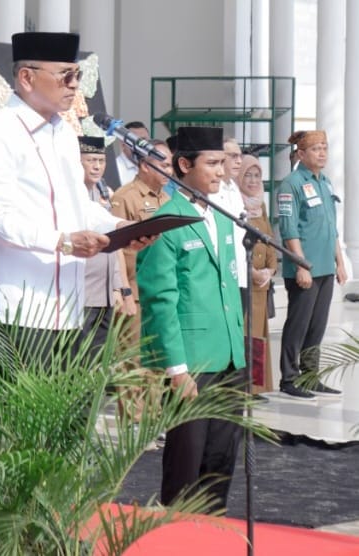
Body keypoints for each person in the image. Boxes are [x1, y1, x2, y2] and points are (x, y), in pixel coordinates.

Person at [0, 31, 153, 359]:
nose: (74, 85)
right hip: (15, 311)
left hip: (68, 309)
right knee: (16, 396)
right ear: (27, 77)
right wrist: (63, 241)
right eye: (66, 75)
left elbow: (78, 206)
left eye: (77, 75)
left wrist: (120, 227)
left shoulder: (64, 134)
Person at [137, 126, 246, 514]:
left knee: (220, 462)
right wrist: (176, 369)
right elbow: (160, 301)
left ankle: (214, 530)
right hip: (193, 362)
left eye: (223, 163)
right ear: (184, 165)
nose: (221, 172)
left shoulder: (222, 217)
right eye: (212, 163)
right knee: (186, 461)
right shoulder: (166, 222)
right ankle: (179, 535)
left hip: (228, 356)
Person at [276, 130, 346, 399]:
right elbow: (288, 229)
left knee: (317, 326)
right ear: (301, 154)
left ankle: (310, 376)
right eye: (316, 149)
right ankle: (289, 378)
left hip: (326, 266)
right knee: (298, 324)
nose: (322, 153)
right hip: (304, 269)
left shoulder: (325, 183)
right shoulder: (291, 184)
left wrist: (340, 262)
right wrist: (301, 265)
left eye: (324, 148)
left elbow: (331, 227)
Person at [110, 140, 173, 348]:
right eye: (163, 166)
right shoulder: (124, 197)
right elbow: (115, 249)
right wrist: (124, 292)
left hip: (161, 290)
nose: (169, 171)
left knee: (160, 357)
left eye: (170, 166)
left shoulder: (167, 199)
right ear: (145, 166)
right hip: (136, 293)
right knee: (133, 358)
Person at [78, 136, 134, 351]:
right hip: (82, 293)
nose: (97, 166)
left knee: (100, 357)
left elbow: (114, 247)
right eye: (90, 160)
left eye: (101, 161)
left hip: (105, 293)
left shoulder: (102, 193)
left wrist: (118, 288)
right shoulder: (71, 198)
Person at [236, 154, 276, 396]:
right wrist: (251, 271)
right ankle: (241, 387)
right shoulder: (234, 204)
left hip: (262, 284)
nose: (252, 181)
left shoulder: (260, 205)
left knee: (258, 336)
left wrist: (270, 269)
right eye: (247, 175)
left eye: (257, 176)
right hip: (245, 281)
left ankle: (256, 387)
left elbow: (269, 238)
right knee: (244, 335)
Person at [210, 137, 247, 290]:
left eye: (240, 156)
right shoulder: (211, 189)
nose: (239, 161)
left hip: (239, 266)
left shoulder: (234, 187)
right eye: (233, 156)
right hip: (219, 269)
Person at [112, 121, 150, 191]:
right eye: (134, 141)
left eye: (144, 141)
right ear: (123, 144)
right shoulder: (114, 168)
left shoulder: (153, 167)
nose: (140, 145)